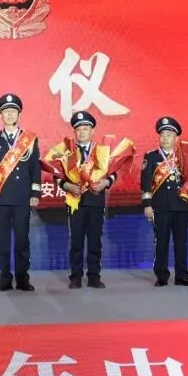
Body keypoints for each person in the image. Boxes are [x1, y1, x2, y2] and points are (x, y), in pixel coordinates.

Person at [0, 93, 42, 292]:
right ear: (1, 115)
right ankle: (5, 279)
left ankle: (23, 279)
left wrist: (35, 193)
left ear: (19, 114)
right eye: (6, 111)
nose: (9, 114)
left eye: (13, 111)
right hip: (0, 198)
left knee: (22, 240)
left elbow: (35, 168)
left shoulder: (29, 139)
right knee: (2, 241)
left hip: (22, 198)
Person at [56, 111, 117, 289]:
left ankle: (94, 276)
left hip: (95, 200)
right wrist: (68, 186)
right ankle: (75, 277)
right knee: (76, 240)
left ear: (92, 131)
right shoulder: (67, 152)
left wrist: (106, 182)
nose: (82, 132)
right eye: (79, 129)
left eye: (85, 129)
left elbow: (113, 172)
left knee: (95, 240)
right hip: (74, 201)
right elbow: (57, 175)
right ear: (74, 132)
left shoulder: (102, 151)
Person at [141, 117, 188, 287]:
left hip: (181, 205)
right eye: (163, 135)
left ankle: (182, 276)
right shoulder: (151, 157)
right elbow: (145, 183)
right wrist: (147, 205)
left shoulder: (185, 156)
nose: (165, 138)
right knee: (162, 242)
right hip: (161, 206)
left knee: (181, 242)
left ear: (176, 137)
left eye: (169, 134)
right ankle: (161, 276)